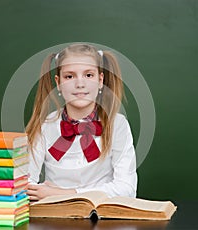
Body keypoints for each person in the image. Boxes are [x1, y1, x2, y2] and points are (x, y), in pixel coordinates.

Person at [26, 43, 137, 201]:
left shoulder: (118, 125)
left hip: (104, 219)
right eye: (69, 76)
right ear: (58, 83)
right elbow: (24, 182)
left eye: (88, 75)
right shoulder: (45, 126)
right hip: (55, 218)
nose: (80, 84)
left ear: (100, 80)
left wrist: (64, 194)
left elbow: (127, 188)